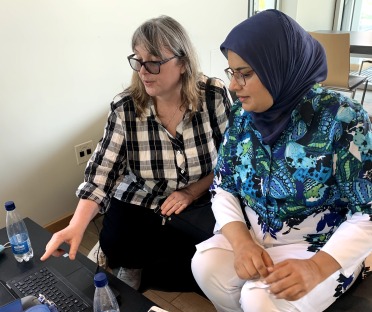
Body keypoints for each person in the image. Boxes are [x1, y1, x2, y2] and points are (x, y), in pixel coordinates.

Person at [191, 9, 372, 312]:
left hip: (322, 244)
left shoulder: (344, 120)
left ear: (281, 68)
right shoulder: (244, 119)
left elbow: (367, 212)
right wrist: (241, 241)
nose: (233, 85)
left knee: (263, 301)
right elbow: (224, 186)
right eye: (232, 72)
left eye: (245, 74)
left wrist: (317, 267)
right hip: (258, 232)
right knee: (206, 265)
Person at [41, 15, 231, 292]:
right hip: (142, 194)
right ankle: (128, 265)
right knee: (116, 241)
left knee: (205, 256)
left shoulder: (213, 94)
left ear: (183, 63)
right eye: (138, 60)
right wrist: (76, 225)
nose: (143, 71)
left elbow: (234, 157)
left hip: (201, 193)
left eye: (154, 61)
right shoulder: (125, 107)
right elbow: (101, 172)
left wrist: (192, 192)